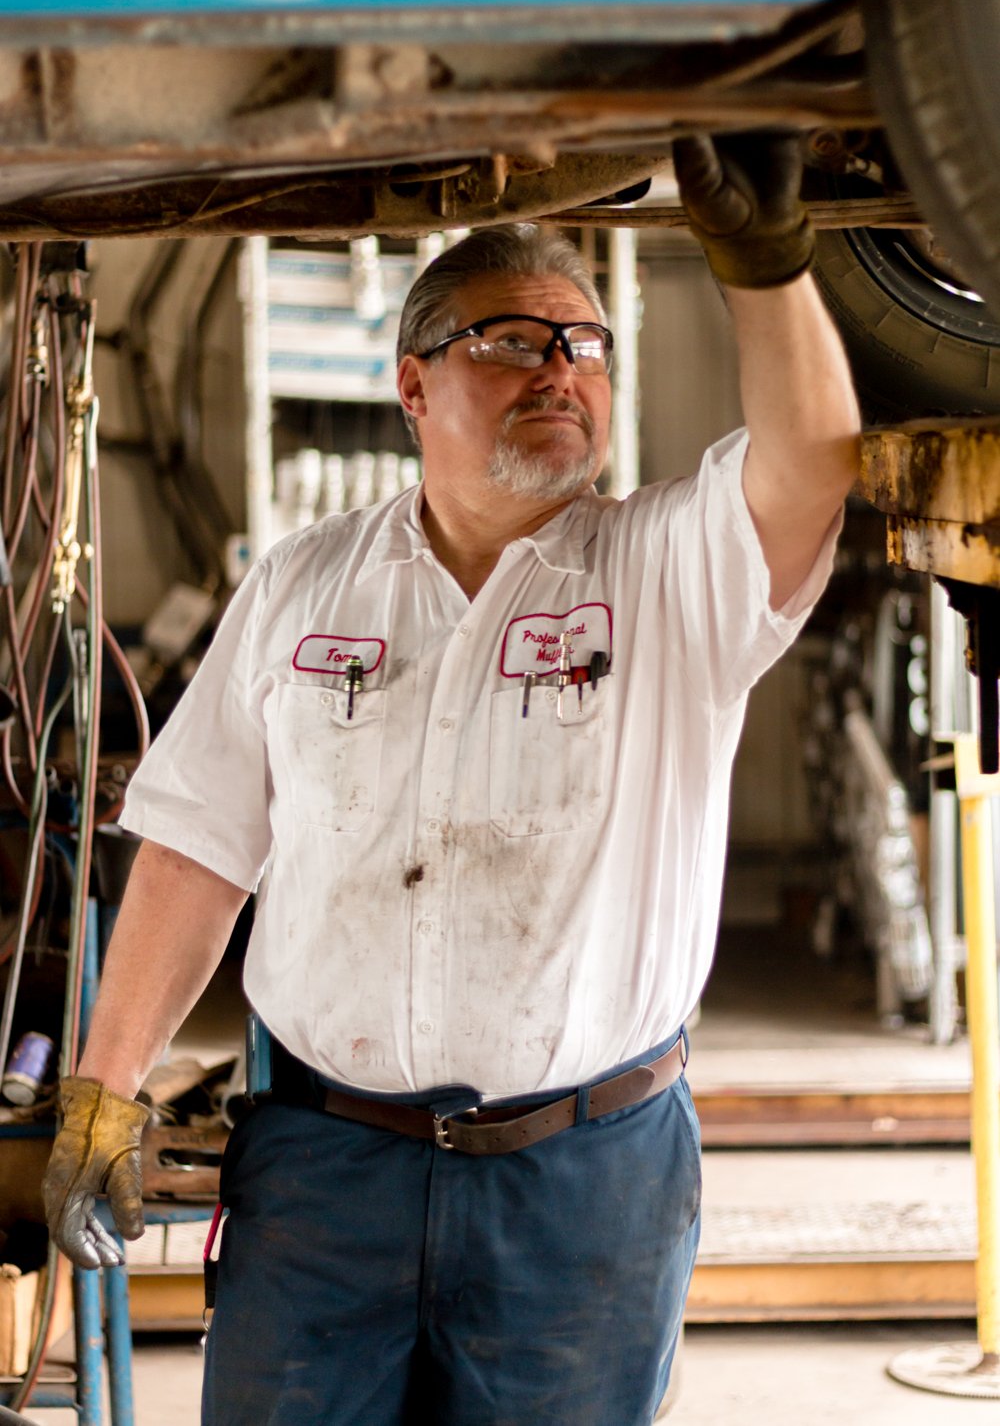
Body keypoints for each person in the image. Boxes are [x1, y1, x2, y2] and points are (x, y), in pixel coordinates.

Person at [42, 134, 860, 1426]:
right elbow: (198, 850)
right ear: (412, 388)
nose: (561, 370)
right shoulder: (302, 589)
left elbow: (815, 459)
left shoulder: (666, 576)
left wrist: (764, 262)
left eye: (585, 346)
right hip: (324, 1176)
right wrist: (102, 1087)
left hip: (582, 1187)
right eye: (514, 341)